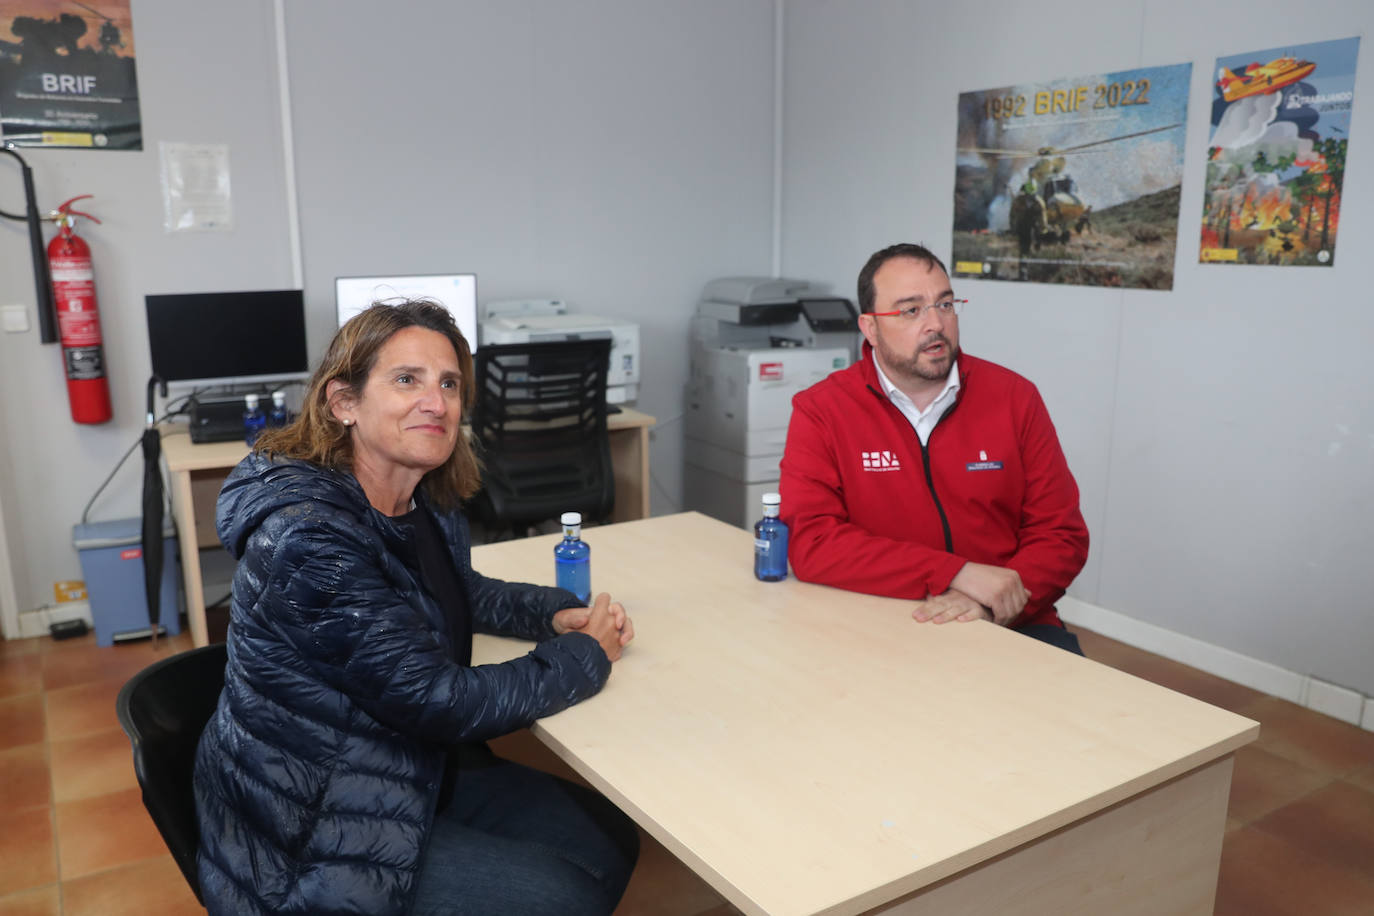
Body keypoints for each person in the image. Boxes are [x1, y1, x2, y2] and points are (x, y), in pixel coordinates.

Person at [194, 300, 639, 915]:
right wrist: (584, 655)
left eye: (449, 383)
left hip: (399, 766)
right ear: (343, 402)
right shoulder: (308, 539)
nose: (437, 402)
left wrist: (552, 614)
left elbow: (456, 590)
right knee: (561, 896)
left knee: (608, 840)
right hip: (310, 824)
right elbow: (440, 700)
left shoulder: (418, 496)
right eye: (408, 380)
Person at [779, 243, 1089, 653]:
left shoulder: (1015, 398)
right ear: (870, 328)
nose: (936, 324)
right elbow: (811, 543)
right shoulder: (822, 409)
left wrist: (984, 601)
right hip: (878, 616)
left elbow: (1060, 534)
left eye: (945, 304)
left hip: (1011, 619)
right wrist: (954, 573)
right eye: (911, 310)